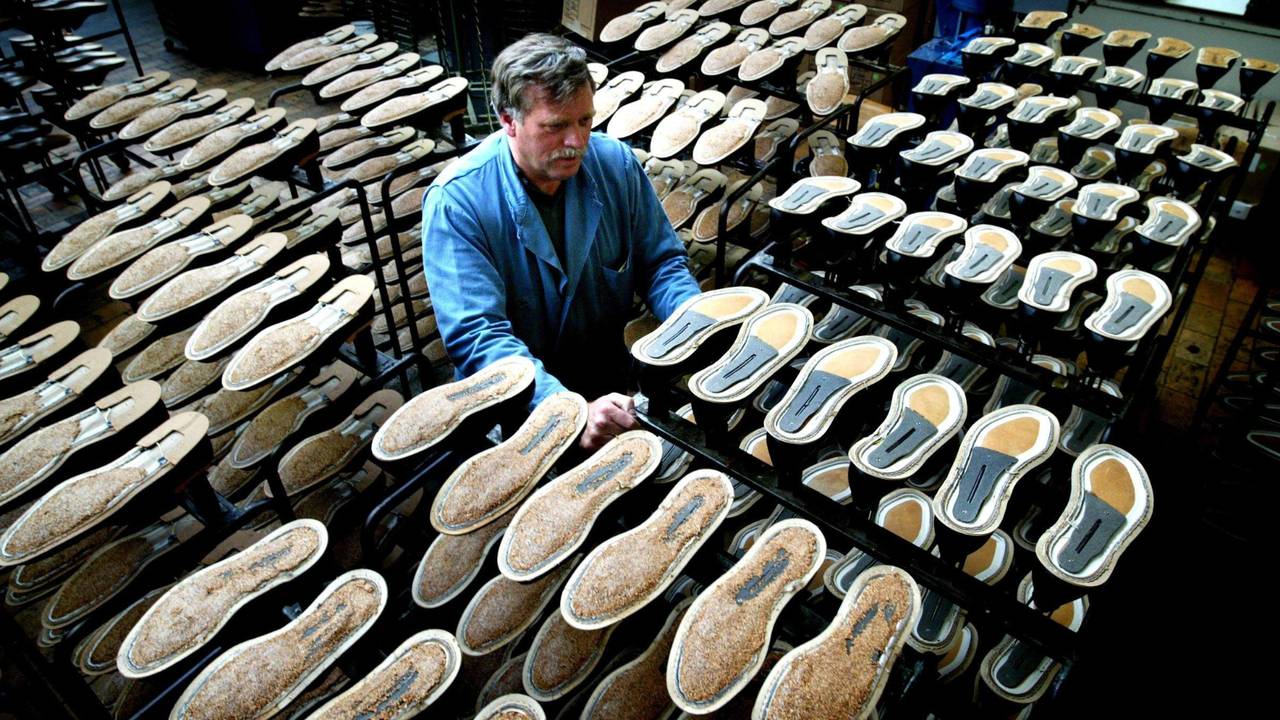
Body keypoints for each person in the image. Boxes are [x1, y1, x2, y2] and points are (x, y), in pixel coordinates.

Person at [420, 33, 701, 450]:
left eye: (584, 121)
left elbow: (661, 263)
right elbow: (478, 333)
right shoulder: (459, 203)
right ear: (508, 120)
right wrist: (563, 408)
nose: (576, 142)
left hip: (610, 383)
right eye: (555, 126)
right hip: (518, 408)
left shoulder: (615, 165)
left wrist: (696, 326)